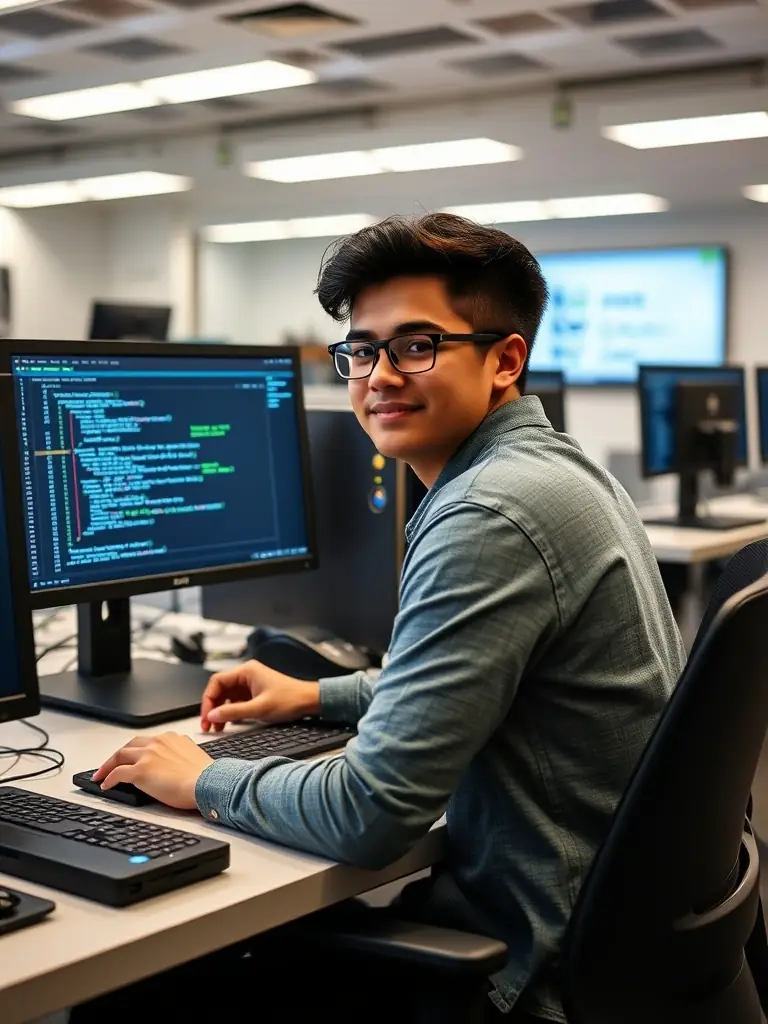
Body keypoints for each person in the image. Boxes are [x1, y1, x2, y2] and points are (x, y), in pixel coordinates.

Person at [85, 213, 686, 1022]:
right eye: (360, 351)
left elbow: (369, 815)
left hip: (527, 962)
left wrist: (205, 780)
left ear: (506, 359)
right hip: (620, 934)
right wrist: (317, 697)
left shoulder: (489, 513)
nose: (376, 376)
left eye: (415, 345)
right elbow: (480, 670)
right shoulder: (553, 468)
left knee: (134, 983)